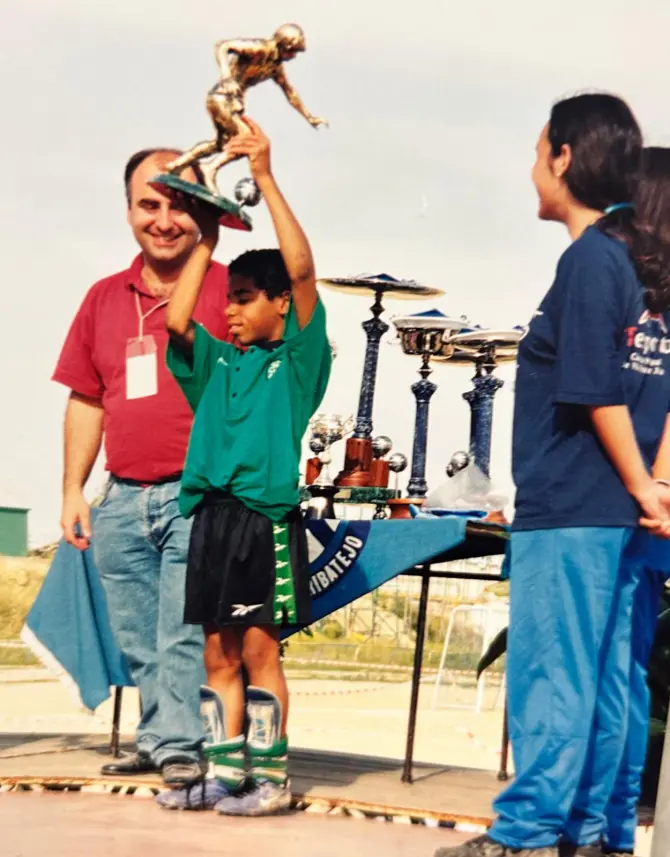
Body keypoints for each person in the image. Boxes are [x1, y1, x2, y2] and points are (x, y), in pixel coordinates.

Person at [437, 94, 670, 857]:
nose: (533, 166)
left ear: (565, 156)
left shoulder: (592, 258)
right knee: (607, 680)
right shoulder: (634, 270)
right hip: (615, 508)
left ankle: (529, 832)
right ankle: (594, 831)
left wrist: (642, 485)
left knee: (553, 675)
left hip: (575, 503)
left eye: (540, 149)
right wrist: (651, 486)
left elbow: (595, 387)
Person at [154, 117, 331, 816]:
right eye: (226, 298)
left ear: (279, 303)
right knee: (215, 657)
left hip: (262, 522)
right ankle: (223, 773)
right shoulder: (219, 361)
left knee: (259, 652)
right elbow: (174, 321)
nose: (228, 310)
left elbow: (305, 270)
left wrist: (261, 176)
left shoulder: (296, 364)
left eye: (244, 297)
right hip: (211, 521)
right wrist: (208, 235)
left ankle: (272, 780)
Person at [53, 148, 230, 785]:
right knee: (137, 634)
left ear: (202, 211)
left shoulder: (227, 289)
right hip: (122, 496)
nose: (163, 220)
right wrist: (74, 489)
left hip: (197, 493)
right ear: (128, 210)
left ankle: (181, 743)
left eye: (179, 205)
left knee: (182, 630)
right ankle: (161, 737)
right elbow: (86, 396)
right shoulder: (103, 298)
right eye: (149, 204)